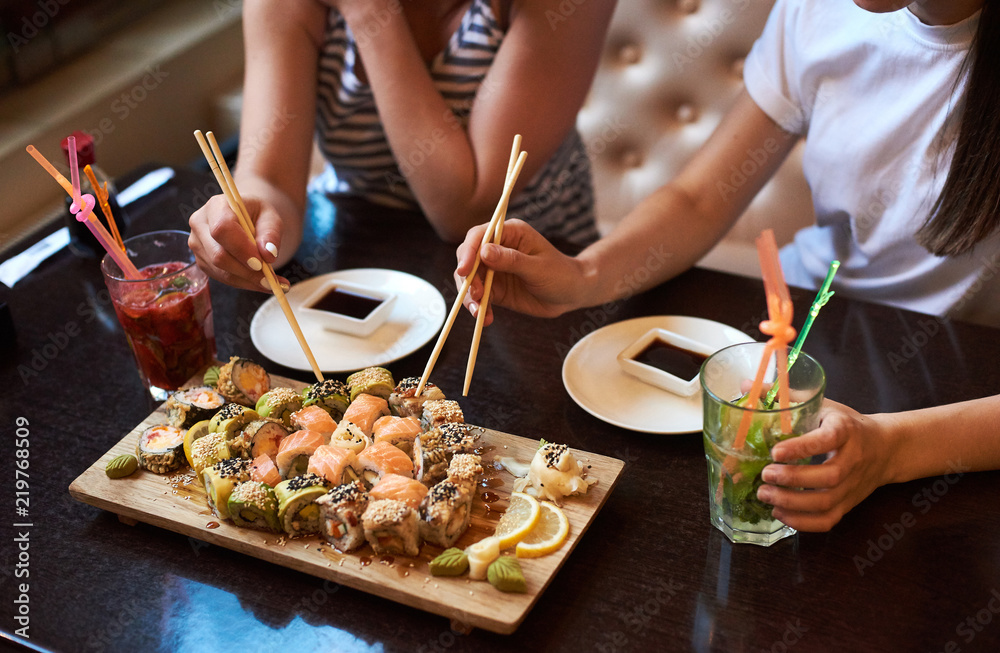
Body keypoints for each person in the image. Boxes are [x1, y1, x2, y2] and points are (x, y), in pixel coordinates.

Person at [454, 0, 1000, 532]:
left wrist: (890, 451)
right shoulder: (816, 11)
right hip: (803, 335)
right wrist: (580, 278)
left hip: (955, 397)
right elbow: (700, 199)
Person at [188, 0, 617, 292]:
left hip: (523, 274)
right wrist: (254, 225)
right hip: (359, 253)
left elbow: (465, 210)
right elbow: (270, 179)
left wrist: (370, 11)